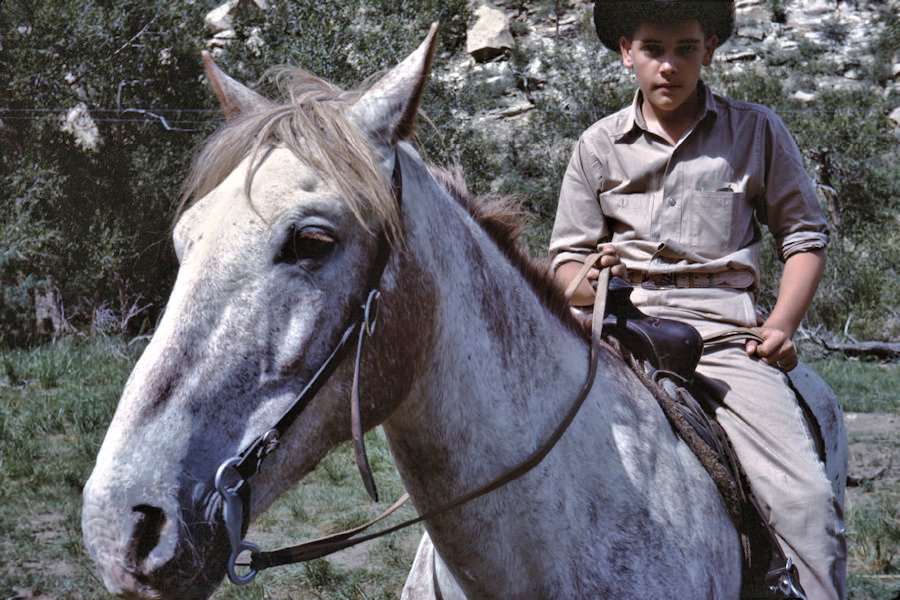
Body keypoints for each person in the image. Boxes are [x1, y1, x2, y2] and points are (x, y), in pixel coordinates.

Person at [549, 1, 846, 597]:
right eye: (653, 49)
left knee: (807, 501)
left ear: (709, 49)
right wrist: (592, 277)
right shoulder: (598, 144)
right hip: (618, 327)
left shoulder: (755, 130)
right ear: (627, 52)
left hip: (723, 336)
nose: (669, 65)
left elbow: (803, 238)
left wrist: (782, 325)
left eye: (685, 48)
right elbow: (566, 263)